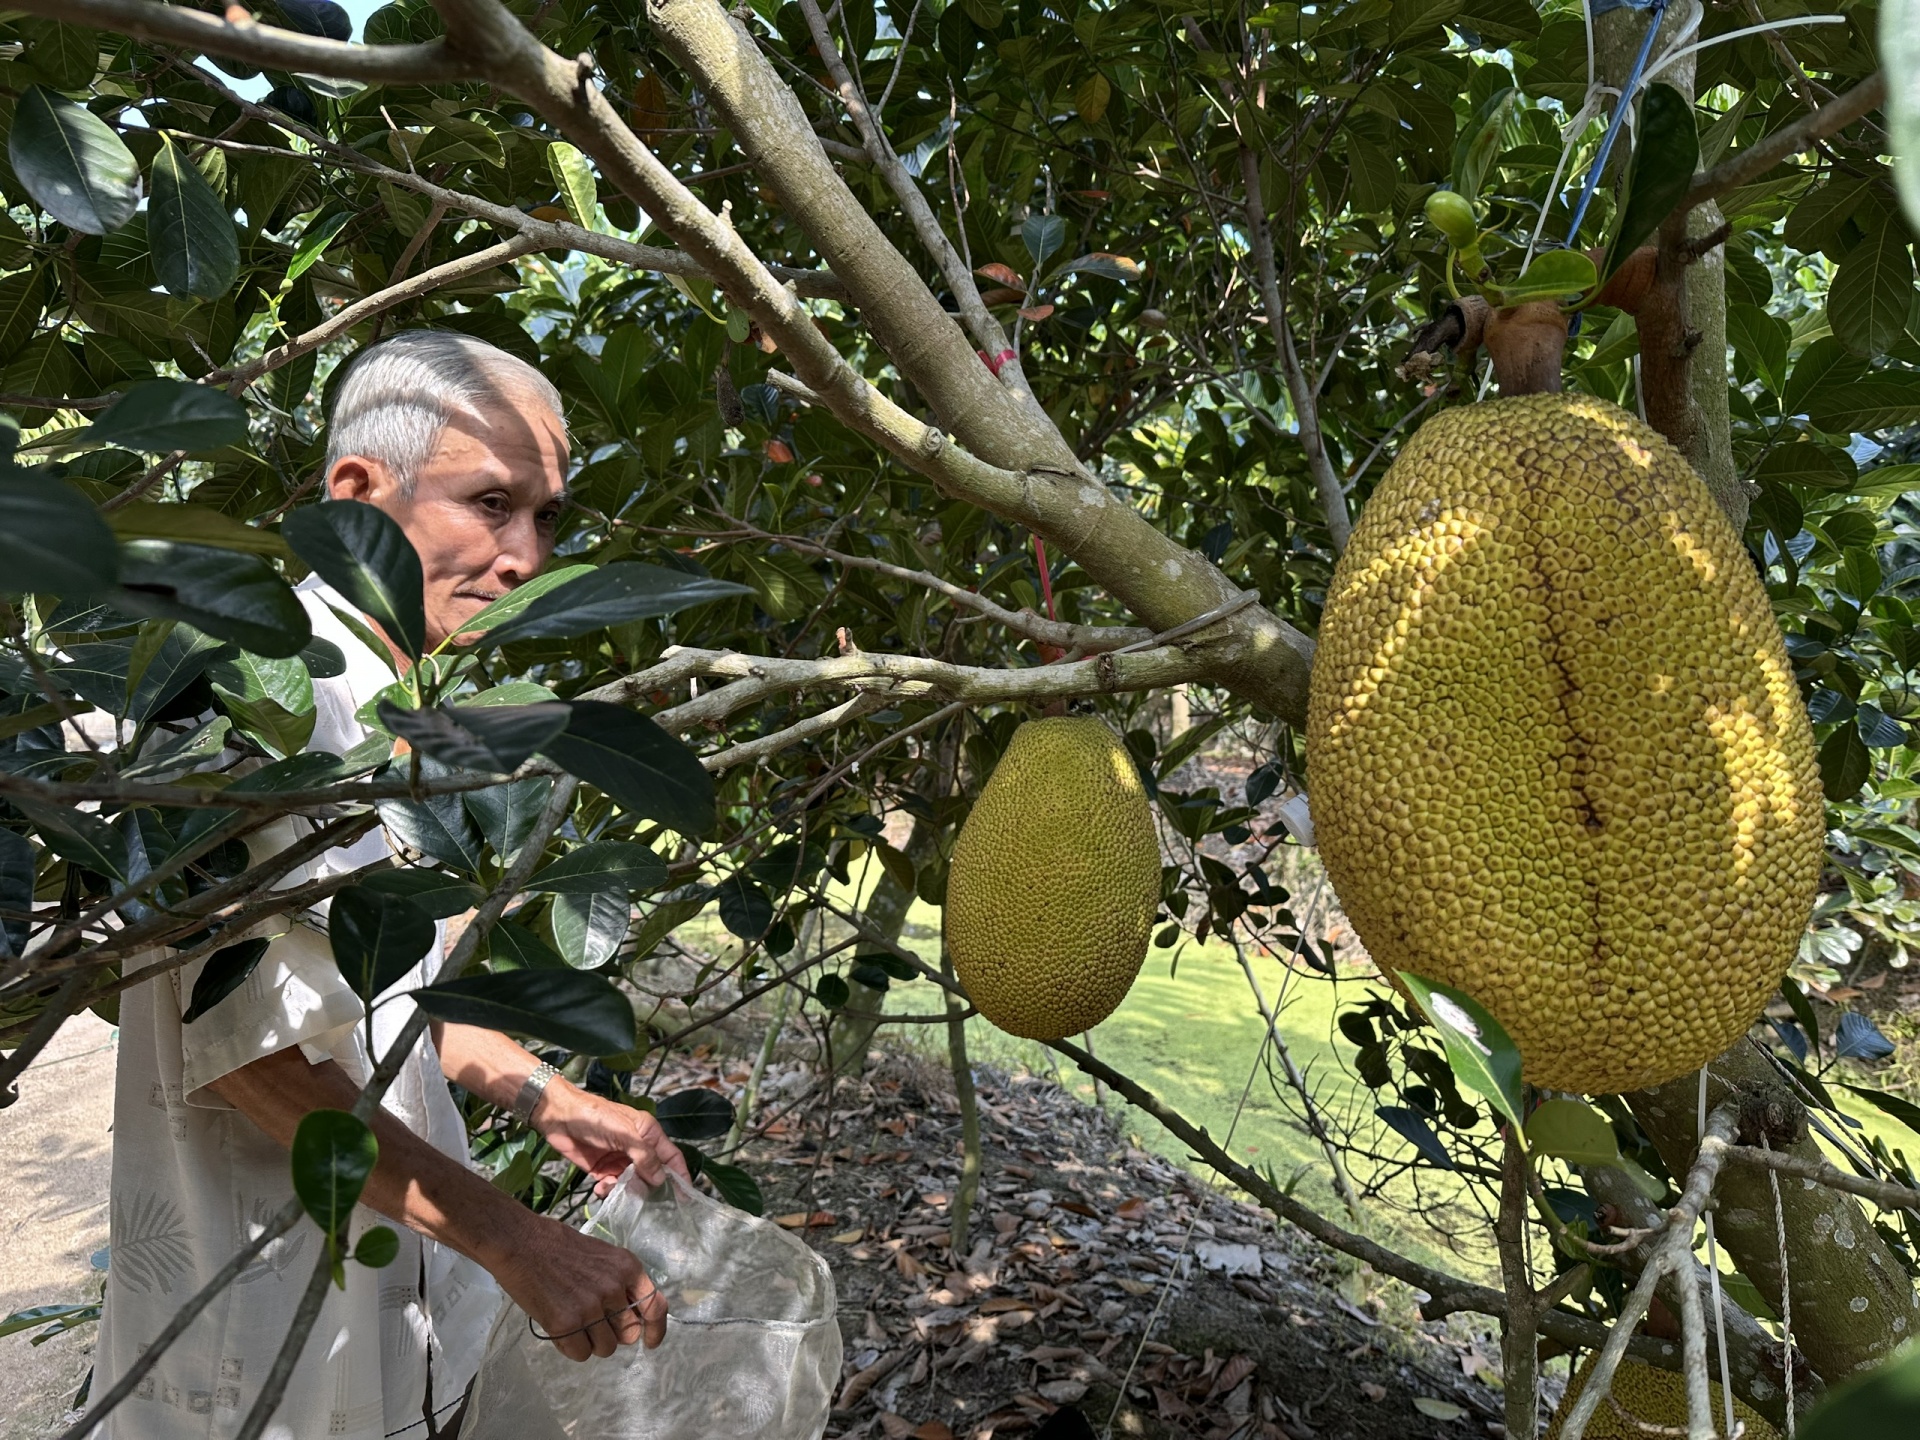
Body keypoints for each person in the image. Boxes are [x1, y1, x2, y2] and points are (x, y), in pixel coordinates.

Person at [96, 331, 688, 1440]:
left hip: (405, 1329)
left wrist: (546, 1097)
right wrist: (519, 1240)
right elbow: (251, 1062)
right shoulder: (257, 695)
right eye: (492, 503)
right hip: (267, 1353)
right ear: (358, 496)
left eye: (547, 516)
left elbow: (396, 993)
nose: (525, 556)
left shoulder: (401, 720)